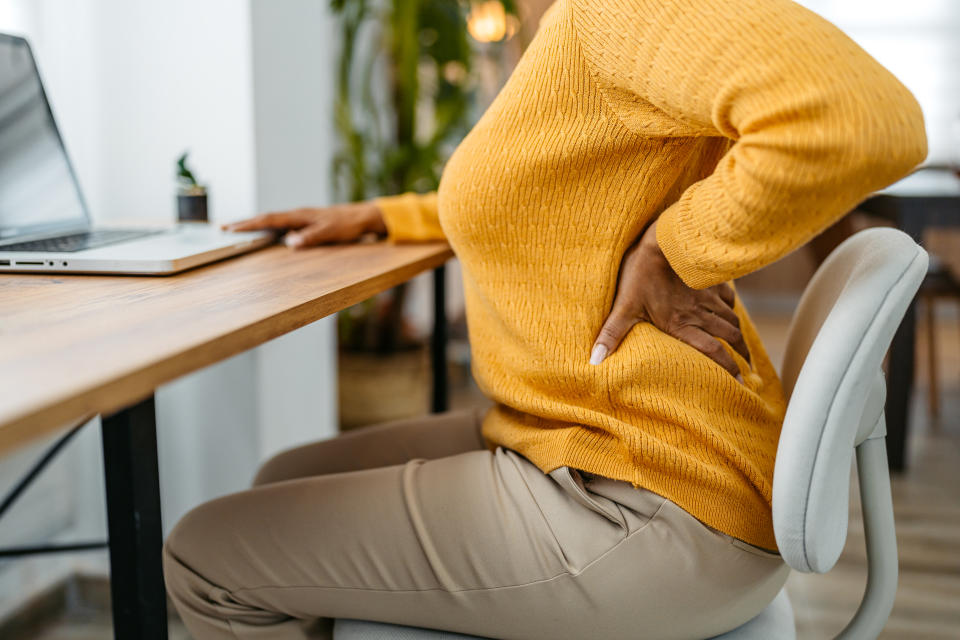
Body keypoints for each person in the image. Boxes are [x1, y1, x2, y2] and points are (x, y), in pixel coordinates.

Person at [162, 0, 927, 638]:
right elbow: (548, 200)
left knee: (202, 554)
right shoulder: (571, 25)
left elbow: (863, 120)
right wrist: (383, 215)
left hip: (646, 496)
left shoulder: (619, 11)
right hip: (596, 438)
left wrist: (672, 247)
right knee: (286, 479)